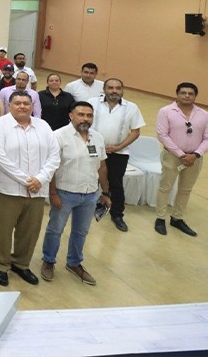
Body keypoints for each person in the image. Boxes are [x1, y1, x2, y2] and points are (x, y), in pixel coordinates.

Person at [0, 91, 60, 287]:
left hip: (37, 190)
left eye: (26, 103)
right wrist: (27, 180)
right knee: (3, 230)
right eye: (17, 103)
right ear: (9, 106)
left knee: (30, 230)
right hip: (7, 190)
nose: (22, 106)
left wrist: (41, 178)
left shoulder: (43, 126)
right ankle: (1, 265)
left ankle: (21, 263)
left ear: (32, 106)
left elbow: (54, 156)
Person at [41, 101, 111, 285]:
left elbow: (102, 166)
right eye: (81, 114)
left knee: (81, 232)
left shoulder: (97, 137)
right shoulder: (58, 136)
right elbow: (51, 168)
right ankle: (48, 261)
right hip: (64, 193)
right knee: (55, 230)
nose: (85, 119)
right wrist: (53, 194)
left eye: (89, 115)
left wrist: (105, 192)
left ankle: (74, 263)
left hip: (90, 194)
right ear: (71, 115)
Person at [89, 78, 145, 232]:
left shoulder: (131, 107)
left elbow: (136, 131)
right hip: (93, 150)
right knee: (90, 179)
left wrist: (119, 147)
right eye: (110, 88)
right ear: (104, 89)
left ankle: (117, 214)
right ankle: (86, 208)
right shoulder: (92, 103)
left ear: (122, 90)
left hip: (119, 152)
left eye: (118, 88)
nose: (114, 91)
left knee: (116, 184)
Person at [155, 82, 207, 237]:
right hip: (172, 156)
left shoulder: (204, 114)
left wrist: (195, 154)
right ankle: (160, 218)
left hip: (194, 159)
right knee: (165, 187)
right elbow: (162, 135)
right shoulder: (165, 111)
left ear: (195, 96)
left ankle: (177, 218)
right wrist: (181, 155)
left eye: (191, 93)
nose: (187, 96)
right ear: (177, 94)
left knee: (186, 189)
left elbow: (207, 138)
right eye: (183, 93)